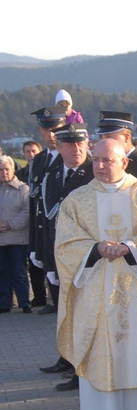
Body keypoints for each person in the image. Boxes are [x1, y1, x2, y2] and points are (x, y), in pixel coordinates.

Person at [54, 139, 137, 410]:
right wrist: (95, 248)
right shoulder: (77, 200)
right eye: (96, 160)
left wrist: (131, 248)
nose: (101, 166)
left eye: (108, 160)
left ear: (125, 162)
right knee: (106, 350)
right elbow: (65, 244)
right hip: (97, 290)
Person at [39, 123, 96, 391]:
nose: (76, 149)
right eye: (70, 144)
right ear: (58, 147)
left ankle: (80, 369)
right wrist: (44, 256)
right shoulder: (52, 174)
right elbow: (45, 219)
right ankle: (68, 358)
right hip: (61, 255)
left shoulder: (95, 175)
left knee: (85, 316)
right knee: (67, 314)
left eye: (80, 144)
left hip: (88, 260)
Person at [29, 106, 68, 316]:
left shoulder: (70, 160)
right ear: (40, 131)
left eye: (56, 129)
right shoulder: (38, 161)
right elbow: (34, 206)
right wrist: (34, 242)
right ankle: (53, 301)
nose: (52, 135)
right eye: (47, 130)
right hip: (45, 232)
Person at [0, 156, 31, 314]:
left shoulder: (23, 189)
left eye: (7, 169)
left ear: (13, 170)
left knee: (19, 272)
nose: (4, 172)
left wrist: (10, 224)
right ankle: (4, 304)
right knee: (2, 272)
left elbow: (27, 212)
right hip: (1, 240)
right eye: (1, 170)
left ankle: (24, 302)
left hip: (18, 238)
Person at [96, 111, 137, 186]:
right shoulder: (100, 166)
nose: (104, 142)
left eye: (108, 137)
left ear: (126, 137)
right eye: (102, 137)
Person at [17, 140, 46, 308]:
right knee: (32, 263)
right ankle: (38, 296)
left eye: (33, 151)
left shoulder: (42, 171)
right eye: (27, 151)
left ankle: (45, 295)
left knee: (42, 260)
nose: (30, 154)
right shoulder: (20, 174)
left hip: (39, 219)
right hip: (25, 226)